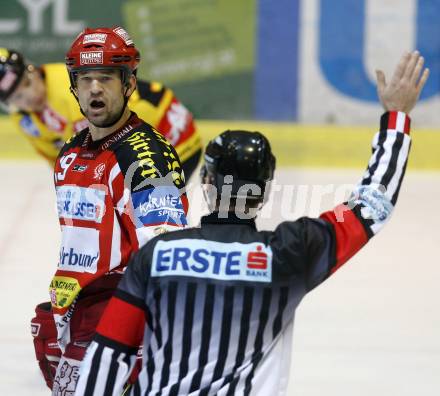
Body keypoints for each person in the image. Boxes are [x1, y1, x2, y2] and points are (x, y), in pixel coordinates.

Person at [74, 51, 429, 396]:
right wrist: (396, 118)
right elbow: (371, 204)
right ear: (265, 191)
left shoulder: (157, 256)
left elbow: (109, 354)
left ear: (207, 184)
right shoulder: (290, 251)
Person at [29, 26, 190, 395]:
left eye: (105, 78)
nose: (95, 89)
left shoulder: (146, 157)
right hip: (75, 310)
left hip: (119, 316)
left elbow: (165, 251)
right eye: (85, 79)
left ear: (129, 84)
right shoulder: (71, 151)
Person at [0, 47, 201, 177]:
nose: (29, 96)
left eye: (27, 83)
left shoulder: (70, 88)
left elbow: (100, 154)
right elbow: (60, 161)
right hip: (138, 147)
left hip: (173, 139)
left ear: (32, 69)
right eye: (17, 97)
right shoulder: (24, 120)